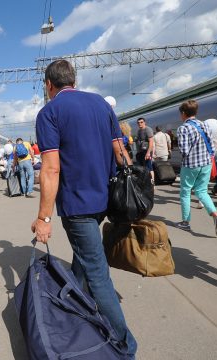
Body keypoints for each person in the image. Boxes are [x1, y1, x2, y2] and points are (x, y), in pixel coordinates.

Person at [32, 59, 137, 355]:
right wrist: (133, 193)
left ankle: (126, 344)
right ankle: (74, 305)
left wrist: (43, 217)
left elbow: (51, 169)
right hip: (104, 199)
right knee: (86, 257)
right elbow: (121, 152)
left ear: (49, 85)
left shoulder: (49, 112)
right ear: (73, 80)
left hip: (77, 206)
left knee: (97, 273)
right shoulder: (102, 105)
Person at [176, 100, 217, 236]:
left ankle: (185, 222)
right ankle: (216, 216)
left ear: (183, 113)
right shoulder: (204, 125)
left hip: (190, 165)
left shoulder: (183, 128)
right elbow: (212, 145)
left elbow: (184, 150)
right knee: (202, 191)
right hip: (206, 163)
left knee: (185, 192)